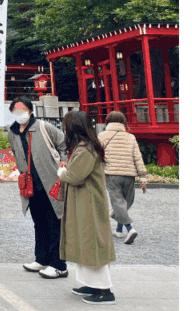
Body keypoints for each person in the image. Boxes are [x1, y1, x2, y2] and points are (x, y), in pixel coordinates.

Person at [5, 96, 70, 279]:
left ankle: (58, 264)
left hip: (50, 181)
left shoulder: (43, 127)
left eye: (22, 110)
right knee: (39, 222)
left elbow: (63, 142)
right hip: (31, 185)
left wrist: (63, 161)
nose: (19, 114)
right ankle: (41, 258)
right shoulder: (12, 132)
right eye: (15, 111)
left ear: (30, 111)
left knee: (54, 222)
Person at [58, 110, 117, 304]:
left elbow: (75, 176)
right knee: (86, 242)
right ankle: (92, 284)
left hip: (88, 204)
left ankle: (105, 291)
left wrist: (62, 172)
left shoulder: (85, 149)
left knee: (92, 243)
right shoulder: (86, 147)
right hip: (85, 202)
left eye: (67, 126)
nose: (65, 129)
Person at [98, 111, 147, 244]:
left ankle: (128, 229)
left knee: (119, 202)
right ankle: (121, 230)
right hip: (129, 175)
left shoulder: (102, 136)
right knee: (125, 201)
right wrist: (142, 177)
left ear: (107, 122)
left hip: (111, 174)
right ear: (123, 122)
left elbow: (97, 156)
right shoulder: (131, 137)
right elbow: (137, 157)